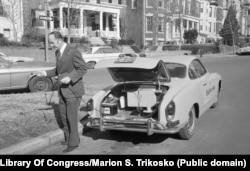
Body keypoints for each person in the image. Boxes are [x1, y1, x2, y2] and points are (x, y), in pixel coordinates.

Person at [36, 31, 88, 153]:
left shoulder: (73, 51)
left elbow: (83, 68)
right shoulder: (57, 52)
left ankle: (74, 142)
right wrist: (44, 73)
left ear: (59, 41)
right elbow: (58, 70)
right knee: (64, 117)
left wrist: (70, 77)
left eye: (52, 42)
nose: (51, 45)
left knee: (71, 117)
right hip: (62, 90)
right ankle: (68, 138)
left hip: (73, 90)